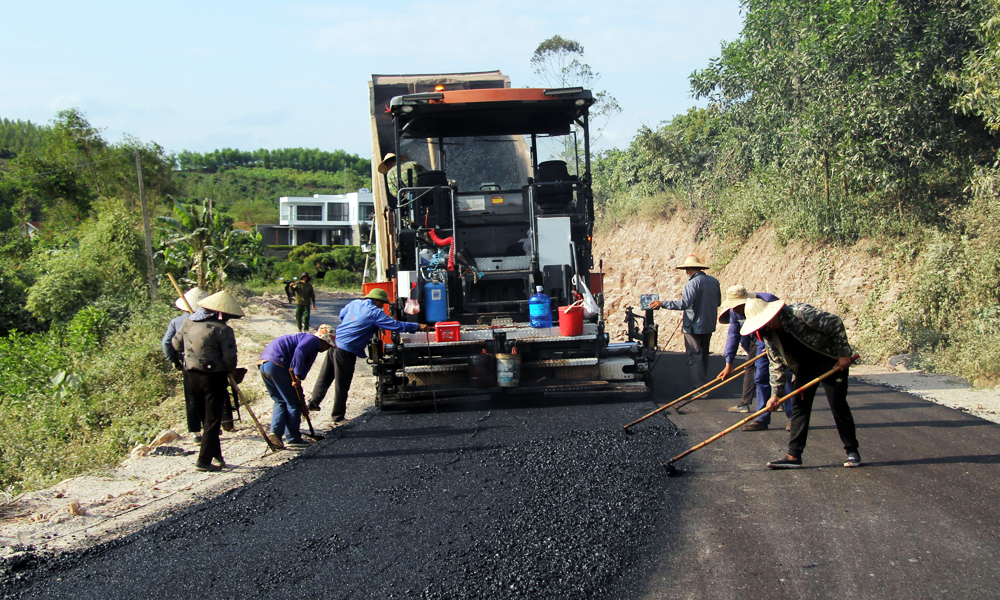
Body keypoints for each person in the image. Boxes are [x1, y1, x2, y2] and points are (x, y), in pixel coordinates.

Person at [739, 298, 861, 469]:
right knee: (799, 407)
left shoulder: (799, 314)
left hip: (831, 361)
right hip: (804, 368)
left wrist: (843, 353)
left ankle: (852, 451)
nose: (762, 327)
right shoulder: (769, 334)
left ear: (772, 314)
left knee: (838, 405)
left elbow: (835, 322)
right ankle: (793, 455)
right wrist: (775, 394)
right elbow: (776, 364)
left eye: (763, 322)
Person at [324, 288, 427, 423]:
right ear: (377, 301)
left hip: (335, 343)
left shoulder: (355, 303)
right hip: (346, 350)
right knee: (342, 384)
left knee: (325, 377)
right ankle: (338, 417)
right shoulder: (375, 313)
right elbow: (395, 325)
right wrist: (417, 326)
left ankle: (312, 403)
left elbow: (342, 315)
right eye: (382, 303)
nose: (382, 306)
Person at [172, 290, 244, 472]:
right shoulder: (223, 330)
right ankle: (203, 461)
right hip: (213, 377)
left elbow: (176, 344)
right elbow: (230, 357)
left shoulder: (188, 322)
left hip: (191, 376)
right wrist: (230, 371)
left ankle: (217, 456)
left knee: (207, 419)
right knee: (213, 420)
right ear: (219, 313)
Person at [718, 285, 793, 432]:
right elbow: (733, 335)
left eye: (736, 306)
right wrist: (729, 363)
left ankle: (793, 418)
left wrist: (775, 343)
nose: (734, 309)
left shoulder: (767, 301)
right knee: (760, 376)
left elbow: (785, 323)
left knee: (785, 377)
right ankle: (762, 418)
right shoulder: (735, 313)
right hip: (759, 341)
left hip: (776, 341)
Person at [649, 254, 722, 388]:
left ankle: (699, 387)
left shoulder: (692, 283)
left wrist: (662, 303)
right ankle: (702, 381)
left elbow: (684, 304)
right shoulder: (714, 281)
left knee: (695, 356)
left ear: (688, 270)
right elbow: (717, 303)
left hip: (693, 326)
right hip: (709, 325)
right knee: (704, 355)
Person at [257, 324, 335, 449]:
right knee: (294, 403)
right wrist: (297, 375)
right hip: (278, 364)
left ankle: (275, 434)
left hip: (264, 364)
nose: (327, 348)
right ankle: (293, 438)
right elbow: (300, 352)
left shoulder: (303, 338)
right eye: (329, 345)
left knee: (280, 401)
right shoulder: (313, 340)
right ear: (324, 340)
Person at [162, 286, 209, 442]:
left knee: (192, 398)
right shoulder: (210, 320)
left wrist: (175, 361)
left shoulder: (177, 322)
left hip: (188, 363)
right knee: (211, 395)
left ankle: (196, 433)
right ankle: (212, 427)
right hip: (210, 363)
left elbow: (168, 343)